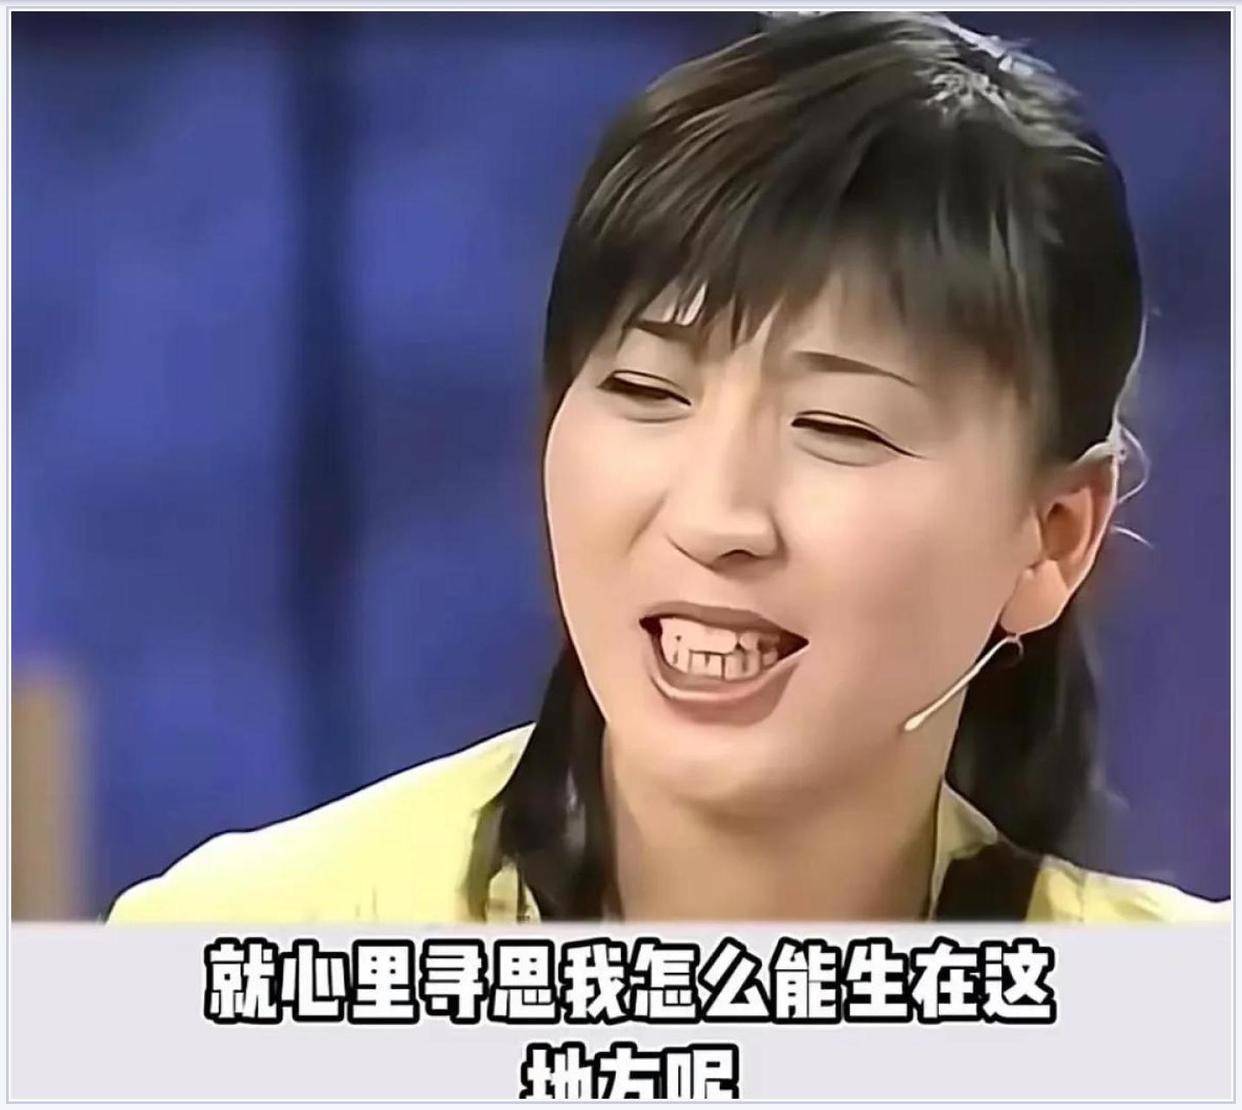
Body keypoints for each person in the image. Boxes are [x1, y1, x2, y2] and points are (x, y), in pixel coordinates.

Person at [110, 11, 1227, 924]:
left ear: (1054, 538)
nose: (714, 513)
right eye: (648, 392)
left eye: (839, 426)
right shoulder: (246, 949)